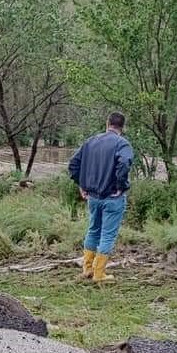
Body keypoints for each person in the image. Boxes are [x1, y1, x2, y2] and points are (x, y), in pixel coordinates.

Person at [68, 111, 134, 283]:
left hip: (93, 197)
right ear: (122, 126)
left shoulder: (90, 142)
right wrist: (120, 186)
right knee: (107, 235)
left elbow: (73, 164)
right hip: (112, 197)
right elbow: (125, 163)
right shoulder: (122, 144)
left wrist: (81, 184)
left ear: (107, 123)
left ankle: (87, 269)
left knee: (93, 230)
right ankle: (99, 274)